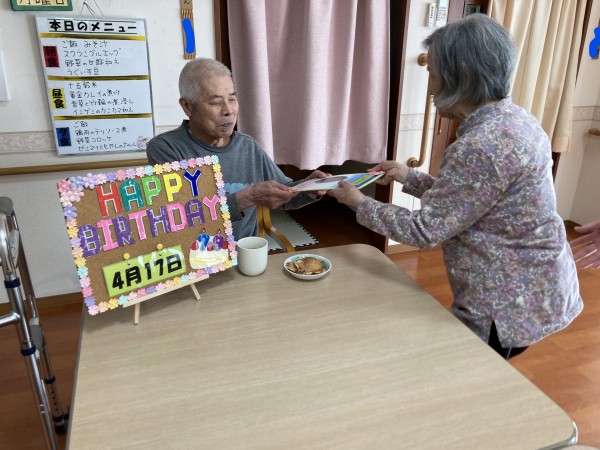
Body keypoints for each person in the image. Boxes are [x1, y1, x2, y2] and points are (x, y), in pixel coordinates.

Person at [328, 14, 582, 359]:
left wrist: (358, 202)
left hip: (507, 303)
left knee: (464, 373)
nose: (431, 87)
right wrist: (407, 176)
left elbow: (425, 230)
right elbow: (470, 198)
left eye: (432, 73)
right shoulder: (516, 120)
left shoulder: (481, 145)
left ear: (461, 76)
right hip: (539, 287)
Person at [146, 58, 328, 239]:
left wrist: (308, 187)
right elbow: (180, 217)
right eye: (215, 102)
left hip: (247, 252)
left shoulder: (247, 146)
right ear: (187, 106)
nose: (229, 110)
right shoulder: (165, 149)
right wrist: (247, 197)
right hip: (197, 253)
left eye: (232, 99)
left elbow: (285, 193)